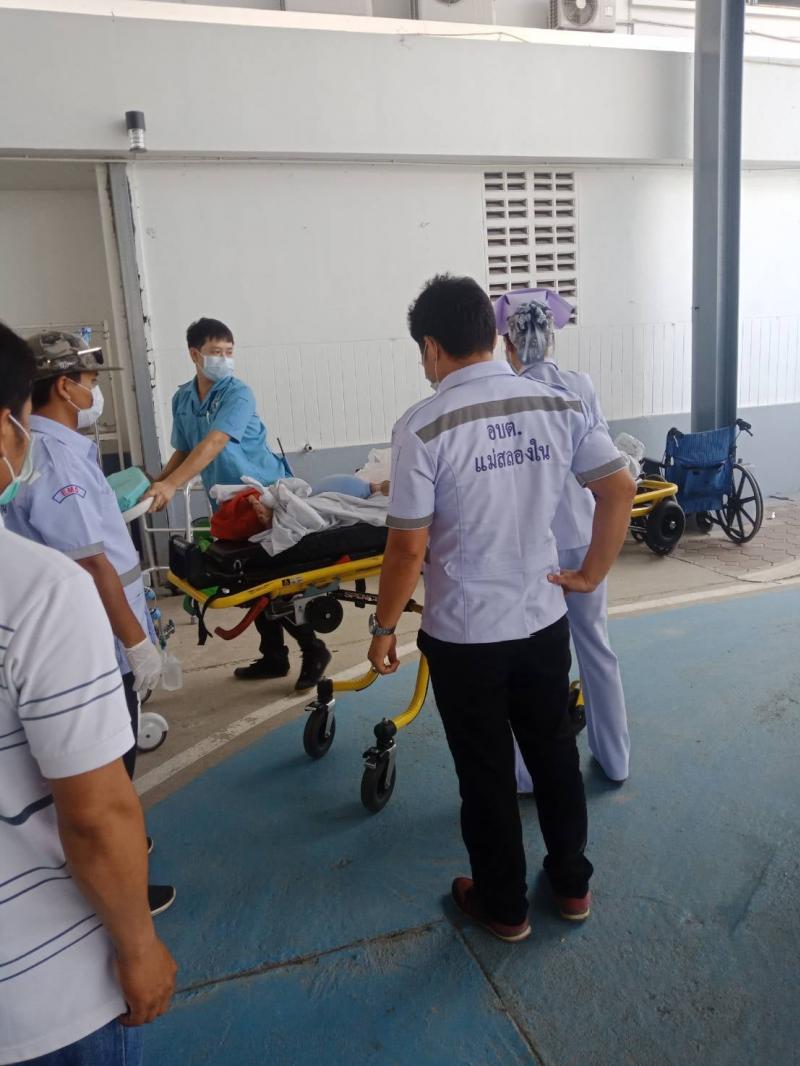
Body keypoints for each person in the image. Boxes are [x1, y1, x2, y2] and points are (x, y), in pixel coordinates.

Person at [367, 275, 635, 943]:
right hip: (543, 617)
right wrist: (591, 572)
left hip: (465, 634)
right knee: (554, 755)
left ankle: (504, 906)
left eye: (422, 352)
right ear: (493, 335)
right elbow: (619, 488)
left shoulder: (423, 426)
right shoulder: (558, 402)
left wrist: (382, 627)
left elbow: (407, 548)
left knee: (485, 772)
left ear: (432, 348)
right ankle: (571, 885)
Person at [0, 322, 176, 1066]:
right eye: (88, 377)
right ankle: (126, 891)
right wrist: (137, 646)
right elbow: (95, 813)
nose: (94, 388)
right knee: (107, 788)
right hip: (44, 993)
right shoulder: (37, 591)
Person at [144, 318, 330, 690]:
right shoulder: (183, 398)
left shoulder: (237, 394)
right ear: (194, 354)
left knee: (273, 580)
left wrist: (172, 484)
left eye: (229, 352)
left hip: (262, 496)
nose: (225, 359)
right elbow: (184, 449)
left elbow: (214, 442)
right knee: (247, 578)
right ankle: (273, 656)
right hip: (227, 501)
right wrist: (160, 483)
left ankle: (313, 648)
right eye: (216, 352)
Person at [500, 294, 631, 785]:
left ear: (509, 347)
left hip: (532, 546)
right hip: (583, 535)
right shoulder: (581, 386)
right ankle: (615, 759)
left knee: (531, 661)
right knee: (596, 647)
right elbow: (606, 464)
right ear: (552, 339)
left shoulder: (507, 397)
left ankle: (527, 776)